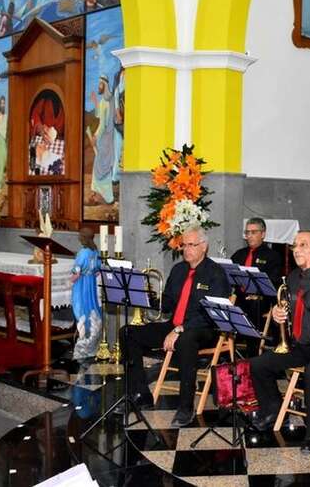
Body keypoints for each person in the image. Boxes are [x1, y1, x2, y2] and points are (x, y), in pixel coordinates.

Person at [121, 226, 231, 427]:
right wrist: (148, 297)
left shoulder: (216, 273)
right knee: (128, 333)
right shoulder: (179, 270)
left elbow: (211, 314)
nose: (186, 249)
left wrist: (180, 330)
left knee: (186, 340)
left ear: (204, 247)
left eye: (191, 245)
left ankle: (185, 407)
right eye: (184, 245)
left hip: (204, 329)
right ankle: (140, 394)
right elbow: (168, 304)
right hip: (175, 326)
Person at [249, 231, 310, 451]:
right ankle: (272, 410)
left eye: (303, 245)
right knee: (258, 364)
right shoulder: (293, 277)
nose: (296, 250)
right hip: (301, 344)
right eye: (295, 245)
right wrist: (278, 314)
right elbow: (291, 309)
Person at [230, 217, 283, 327]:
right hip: (240, 297)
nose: (249, 236)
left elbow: (274, 283)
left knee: (255, 305)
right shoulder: (239, 254)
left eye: (253, 232)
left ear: (263, 234)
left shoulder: (273, 256)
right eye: (247, 232)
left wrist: (257, 294)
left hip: (262, 301)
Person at [70, 228, 103, 360]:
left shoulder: (83, 252)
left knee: (80, 308)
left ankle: (83, 343)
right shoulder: (95, 251)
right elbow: (98, 269)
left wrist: (71, 280)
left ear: (83, 238)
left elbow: (77, 270)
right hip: (91, 283)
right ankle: (91, 344)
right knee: (91, 308)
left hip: (82, 283)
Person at [89, 75, 115, 204]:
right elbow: (99, 115)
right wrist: (95, 101)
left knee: (102, 167)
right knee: (99, 166)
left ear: (105, 85)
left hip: (105, 139)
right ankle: (95, 193)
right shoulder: (106, 101)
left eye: (100, 84)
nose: (99, 86)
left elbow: (103, 124)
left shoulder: (108, 101)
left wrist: (95, 136)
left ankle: (107, 197)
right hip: (106, 139)